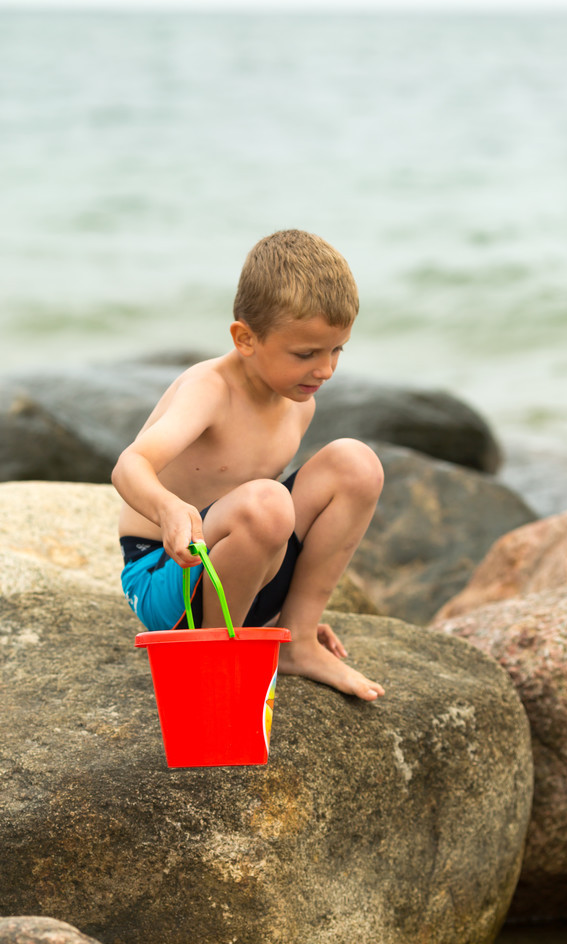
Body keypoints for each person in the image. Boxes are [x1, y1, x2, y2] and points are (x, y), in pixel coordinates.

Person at [111, 229, 385, 700]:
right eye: (306, 354)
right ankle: (215, 660)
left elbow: (268, 535)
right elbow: (129, 465)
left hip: (239, 580)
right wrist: (168, 508)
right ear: (246, 338)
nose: (326, 370)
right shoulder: (210, 391)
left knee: (356, 464)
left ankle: (296, 639)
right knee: (267, 503)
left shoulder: (299, 404)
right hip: (169, 577)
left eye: (337, 350)